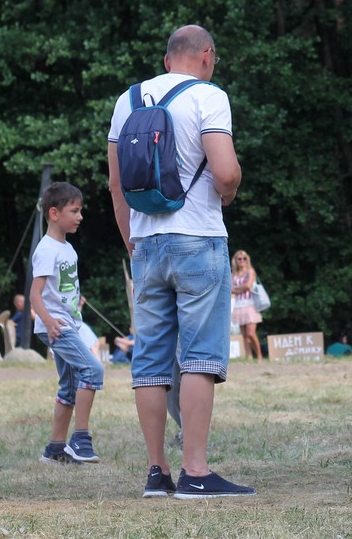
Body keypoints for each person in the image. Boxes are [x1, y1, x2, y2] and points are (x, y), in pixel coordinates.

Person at [107, 24, 253, 499]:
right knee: (199, 358)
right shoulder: (209, 96)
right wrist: (227, 193)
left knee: (149, 360)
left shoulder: (128, 100)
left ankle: (157, 473)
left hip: (146, 244)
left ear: (168, 58)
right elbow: (226, 170)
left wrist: (133, 241)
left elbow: (116, 185)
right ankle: (196, 472)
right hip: (198, 238)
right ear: (207, 55)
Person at [30, 182, 103, 465]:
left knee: (69, 388)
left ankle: (55, 449)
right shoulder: (47, 249)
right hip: (56, 326)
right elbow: (35, 294)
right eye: (74, 211)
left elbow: (61, 289)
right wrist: (48, 322)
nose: (80, 216)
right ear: (54, 213)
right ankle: (81, 440)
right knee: (93, 369)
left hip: (68, 324)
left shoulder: (68, 250)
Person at [230, 250, 264, 361]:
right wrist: (240, 289)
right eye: (239, 259)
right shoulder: (233, 274)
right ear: (235, 260)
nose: (242, 261)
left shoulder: (250, 271)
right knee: (244, 334)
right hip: (238, 305)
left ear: (247, 259)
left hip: (250, 304)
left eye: (244, 258)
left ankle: (259, 356)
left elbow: (248, 286)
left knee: (251, 333)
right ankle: (249, 356)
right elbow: (230, 289)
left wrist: (236, 289)